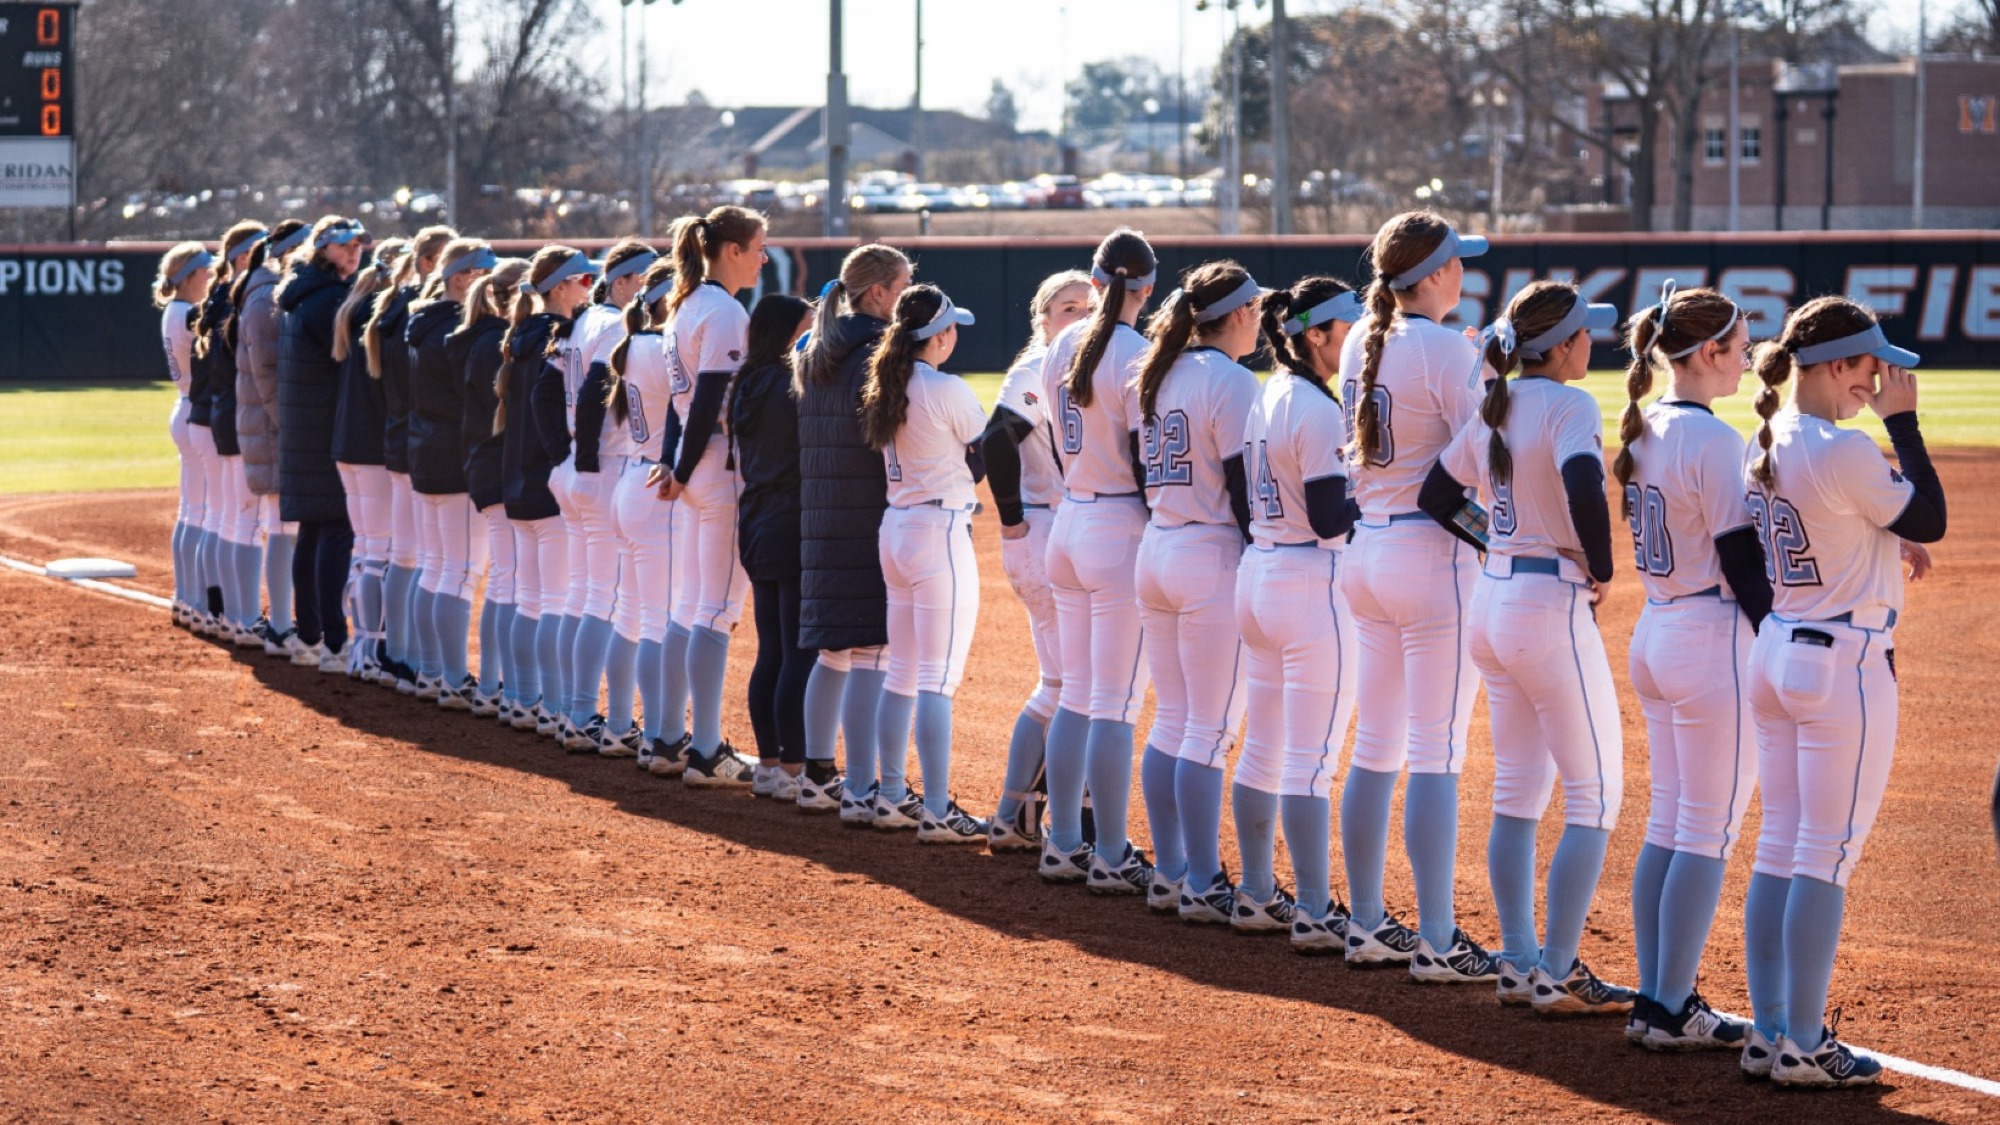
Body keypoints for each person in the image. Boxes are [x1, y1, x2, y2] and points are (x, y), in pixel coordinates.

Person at [1738, 297, 1945, 1088]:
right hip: (1842, 664)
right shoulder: (1845, 447)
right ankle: (1801, 1043)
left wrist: (1883, 544)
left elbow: (1851, 523)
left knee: (1781, 846)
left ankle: (1768, 1031)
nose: (1879, 380)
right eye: (1868, 367)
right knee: (1823, 856)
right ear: (1832, 366)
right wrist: (1903, 424)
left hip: (1780, 647)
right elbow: (1929, 516)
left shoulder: (1763, 436)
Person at [1417, 280, 1630, 1013]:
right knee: (1595, 794)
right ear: (1563, 344)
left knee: (1518, 789)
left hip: (1495, 597)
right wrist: (1599, 568)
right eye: (1585, 334)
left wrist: (1496, 540)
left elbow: (1436, 498)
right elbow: (1583, 485)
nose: (1592, 344)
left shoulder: (1496, 406)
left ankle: (1517, 959)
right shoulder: (1570, 405)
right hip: (1547, 605)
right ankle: (1560, 969)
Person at [1612, 283, 1773, 1051]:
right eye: (1739, 347)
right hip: (1710, 639)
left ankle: (1657, 997)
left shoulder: (1647, 426)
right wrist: (1779, 636)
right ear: (1706, 353)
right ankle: (1670, 1003)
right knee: (1704, 832)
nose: (1746, 359)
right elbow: (1743, 560)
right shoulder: (1712, 440)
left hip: (1658, 629)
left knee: (1672, 824)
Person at [1336, 212, 1492, 975]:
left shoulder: (1363, 346)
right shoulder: (1445, 350)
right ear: (1433, 274)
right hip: (1433, 559)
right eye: (1458, 262)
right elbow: (1487, 462)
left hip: (1367, 549)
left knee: (1375, 744)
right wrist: (1503, 541)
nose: (1464, 272)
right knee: (1436, 750)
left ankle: (1366, 919)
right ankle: (1436, 937)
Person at [1236, 277, 1365, 953]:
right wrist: (1371, 495)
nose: (1361, 337)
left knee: (1265, 744)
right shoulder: (1316, 408)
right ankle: (1315, 908)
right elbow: (1327, 519)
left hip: (1259, 572)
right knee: (1311, 760)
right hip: (1309, 582)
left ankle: (1257, 890)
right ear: (1316, 334)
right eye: (1350, 326)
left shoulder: (1271, 392)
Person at [1130, 262, 1263, 916]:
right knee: (1207, 730)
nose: (1262, 317)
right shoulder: (1232, 381)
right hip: (1209, 553)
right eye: (1256, 307)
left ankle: (1171, 870)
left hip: (1157, 545)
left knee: (1176, 720)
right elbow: (1243, 488)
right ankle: (1204, 881)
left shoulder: (1162, 368)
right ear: (1237, 313)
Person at [1038, 228, 1157, 893]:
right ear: (1146, 288)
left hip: (1072, 516)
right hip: (1116, 526)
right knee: (1113, 702)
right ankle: (1110, 851)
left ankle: (1063, 841)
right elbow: (1146, 461)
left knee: (1079, 695)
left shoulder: (1060, 342)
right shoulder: (1137, 351)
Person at [858, 284, 990, 842]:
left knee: (904, 672)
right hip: (938, 532)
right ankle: (935, 808)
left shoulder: (885, 384)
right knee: (936, 680)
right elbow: (982, 459)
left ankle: (891, 795)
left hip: (897, 530)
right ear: (939, 336)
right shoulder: (944, 387)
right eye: (950, 328)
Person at [795, 244, 914, 822]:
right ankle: (865, 787)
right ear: (877, 294)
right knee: (870, 651)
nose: (906, 298)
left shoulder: (817, 346)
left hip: (822, 513)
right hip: (867, 511)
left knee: (834, 651)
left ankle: (820, 773)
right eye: (902, 287)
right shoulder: (878, 350)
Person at [652, 206, 768, 788]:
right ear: (731, 251)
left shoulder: (686, 304)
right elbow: (706, 401)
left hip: (697, 469)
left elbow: (687, 402)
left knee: (691, 606)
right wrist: (685, 462)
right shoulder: (722, 310)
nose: (763, 257)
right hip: (718, 469)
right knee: (716, 610)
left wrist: (676, 465)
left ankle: (670, 738)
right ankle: (704, 751)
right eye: (757, 247)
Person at [981, 269, 1092, 851]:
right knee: (1075, 690)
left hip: (1053, 531)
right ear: (1043, 318)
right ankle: (1067, 827)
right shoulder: (1037, 368)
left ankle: (1018, 816)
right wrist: (1011, 517)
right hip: (1044, 529)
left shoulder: (1073, 367)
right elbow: (995, 441)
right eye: (1068, 308)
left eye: (1088, 307)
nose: (1080, 316)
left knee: (1063, 685)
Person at [555, 239, 658, 755]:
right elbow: (596, 391)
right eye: (644, 278)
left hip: (584, 464)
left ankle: (572, 709)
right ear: (621, 281)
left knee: (585, 594)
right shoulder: (616, 323)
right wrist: (589, 463)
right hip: (605, 465)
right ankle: (601, 719)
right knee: (617, 604)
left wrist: (574, 458)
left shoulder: (588, 317)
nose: (651, 288)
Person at [500, 245, 597, 735]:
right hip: (544, 478)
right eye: (583, 281)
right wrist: (563, 458)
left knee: (531, 600)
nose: (589, 290)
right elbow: (546, 403)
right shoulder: (558, 335)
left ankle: (522, 697)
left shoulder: (519, 334)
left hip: (518, 476)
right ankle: (558, 706)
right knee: (555, 601)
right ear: (560, 286)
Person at [731, 294, 816, 795]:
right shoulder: (790, 382)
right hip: (789, 518)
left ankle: (769, 764)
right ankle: (791, 768)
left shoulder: (750, 378)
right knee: (796, 653)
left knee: (773, 650)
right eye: (805, 328)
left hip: (758, 517)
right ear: (788, 333)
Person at [605, 261, 689, 769]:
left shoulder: (635, 343)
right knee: (659, 621)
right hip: (657, 487)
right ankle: (664, 737)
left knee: (632, 616)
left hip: (632, 482)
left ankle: (630, 728)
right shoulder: (662, 347)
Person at [275, 216, 368, 671]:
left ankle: (310, 636)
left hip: (307, 428)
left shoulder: (305, 291)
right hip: (325, 427)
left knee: (314, 532)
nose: (355, 252)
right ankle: (333, 641)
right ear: (324, 249)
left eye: (358, 245)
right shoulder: (328, 299)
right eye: (345, 245)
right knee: (334, 530)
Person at [408, 238, 498, 709]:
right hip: (453, 455)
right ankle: (454, 677)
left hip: (425, 450)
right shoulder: (457, 329)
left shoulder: (422, 319)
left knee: (438, 568)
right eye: (484, 271)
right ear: (461, 277)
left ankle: (429, 670)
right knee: (459, 573)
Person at [370, 225, 457, 692]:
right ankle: (412, 660)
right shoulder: (419, 317)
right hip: (414, 443)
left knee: (410, 558)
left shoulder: (399, 310)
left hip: (403, 440)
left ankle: (402, 656)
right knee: (417, 559)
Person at [453, 256, 530, 720]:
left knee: (506, 578)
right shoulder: (492, 344)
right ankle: (496, 686)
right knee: (508, 579)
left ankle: (492, 684)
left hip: (488, 465)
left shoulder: (481, 339)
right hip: (494, 467)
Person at [330, 239, 406, 682]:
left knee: (365, 551)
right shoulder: (382, 317)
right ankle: (372, 651)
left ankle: (364, 644)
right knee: (379, 553)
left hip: (347, 445)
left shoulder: (353, 309)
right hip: (372, 447)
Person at [234, 219, 309, 659]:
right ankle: (280, 625)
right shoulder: (265, 296)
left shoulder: (268, 291)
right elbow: (267, 374)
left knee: (285, 526)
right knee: (280, 525)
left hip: (272, 425)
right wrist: (293, 426)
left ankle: (284, 621)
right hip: (272, 428)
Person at [199, 221, 270, 648]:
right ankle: (240, 616)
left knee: (230, 520)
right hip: (237, 415)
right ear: (243, 256)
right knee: (244, 522)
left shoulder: (222, 294)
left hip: (225, 414)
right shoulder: (236, 296)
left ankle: (223, 611)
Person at [157, 241, 217, 634]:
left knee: (191, 510)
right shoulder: (190, 313)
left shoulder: (172, 311)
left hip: (183, 407)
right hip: (198, 410)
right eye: (206, 270)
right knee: (209, 514)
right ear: (192, 275)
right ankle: (200, 602)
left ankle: (185, 597)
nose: (211, 276)